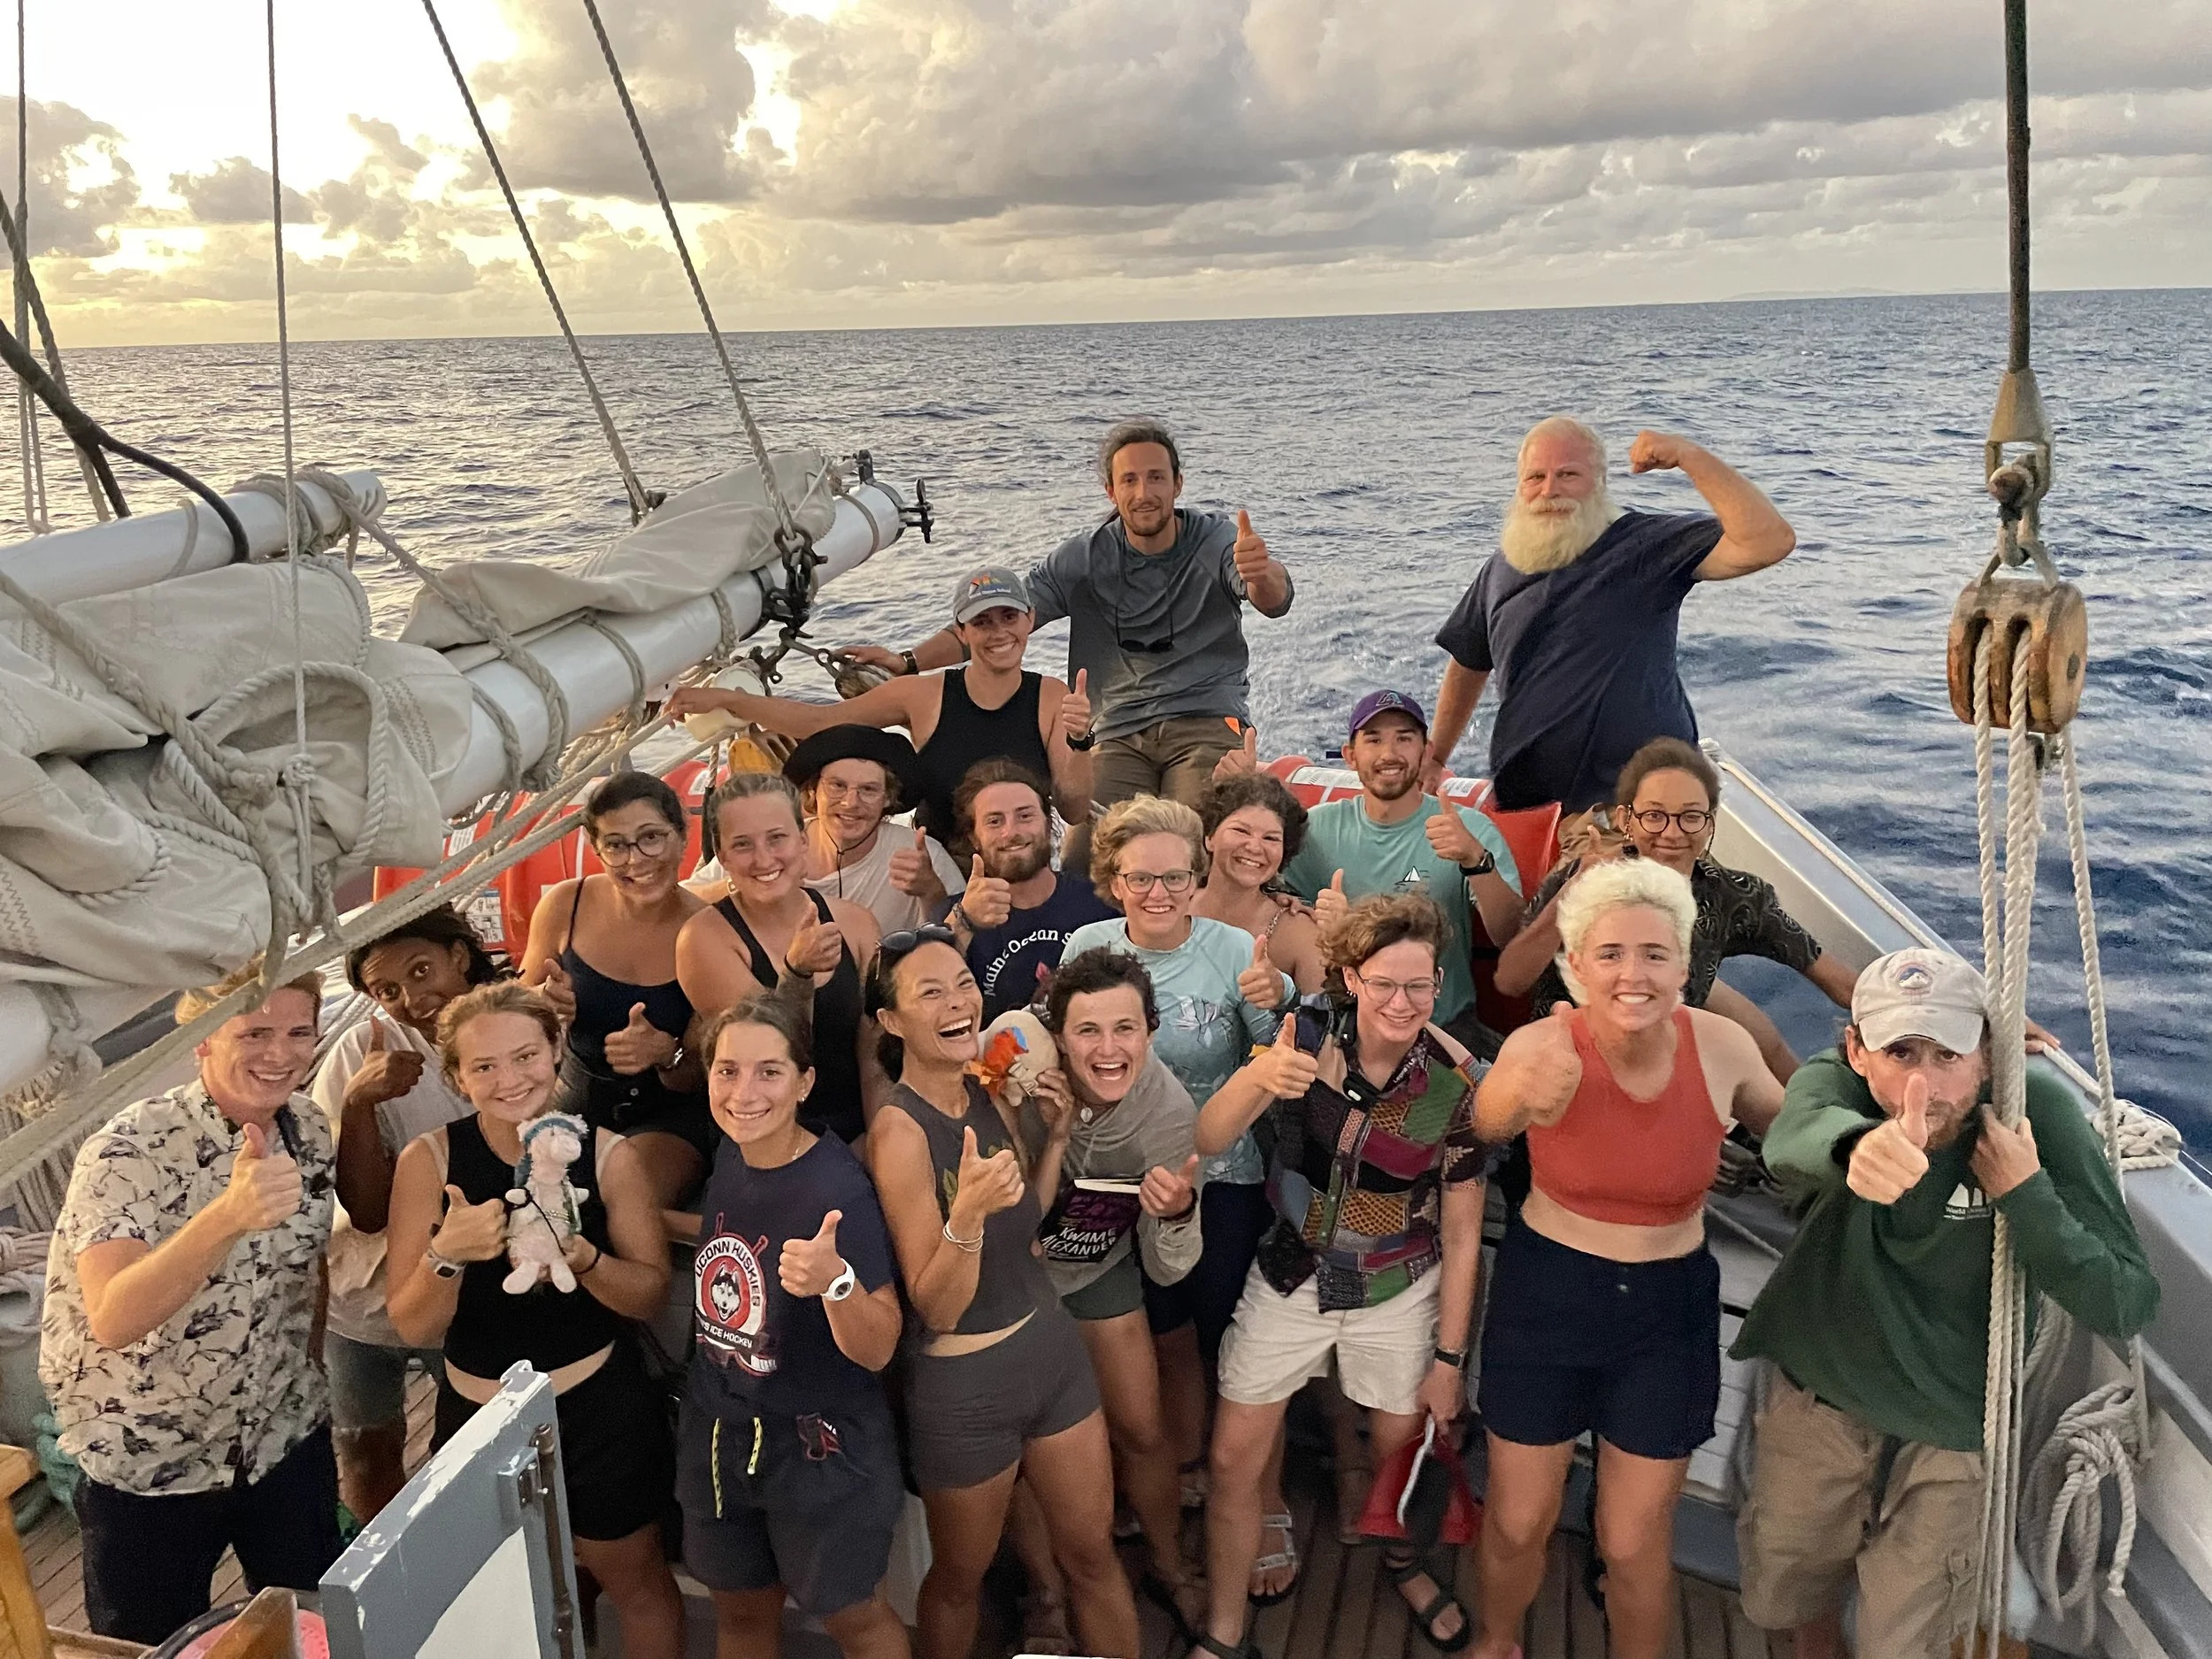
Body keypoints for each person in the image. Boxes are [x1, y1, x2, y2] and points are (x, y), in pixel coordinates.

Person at [1732, 949, 2159, 1659]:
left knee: (1899, 1640)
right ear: (1857, 1050)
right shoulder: (1836, 1086)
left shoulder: (2034, 1113)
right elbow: (1793, 1139)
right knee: (1787, 1592)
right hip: (1823, 1393)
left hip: (1955, 1422)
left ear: (1987, 1057)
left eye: (1948, 1054)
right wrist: (1859, 1151)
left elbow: (2127, 1301)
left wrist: (2027, 1195)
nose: (1922, 1084)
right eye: (1900, 1052)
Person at [1468, 859, 1782, 1659]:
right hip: (1546, 1297)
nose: (1632, 974)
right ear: (1576, 965)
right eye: (1609, 953)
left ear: (1684, 963)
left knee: (1634, 1543)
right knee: (1517, 1521)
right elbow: (1487, 1119)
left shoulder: (1723, 1046)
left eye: (1654, 953)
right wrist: (1524, 1095)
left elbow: (1797, 1131)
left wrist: (1905, 1093)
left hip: (1665, 1315)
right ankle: (1495, 1642)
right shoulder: (1542, 1044)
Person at [1194, 895, 1487, 1658]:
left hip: (1398, 1284)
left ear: (1437, 983)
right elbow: (1210, 1134)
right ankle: (1224, 1629)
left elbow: (1464, 1232)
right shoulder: (1303, 1033)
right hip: (1293, 1269)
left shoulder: (1457, 1083)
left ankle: (1405, 1563)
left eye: (1418, 985)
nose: (1402, 1001)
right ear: (1353, 977)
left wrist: (1450, 1360)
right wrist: (1262, 1076)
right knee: (1231, 1458)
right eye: (1384, 982)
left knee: (1400, 1450)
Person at [41, 961, 342, 1644]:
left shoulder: (310, 1128)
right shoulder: (127, 1151)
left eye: (299, 1032)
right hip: (149, 1465)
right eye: (255, 1032)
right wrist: (227, 1215)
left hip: (282, 1439)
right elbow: (113, 1315)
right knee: (154, 1645)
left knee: (316, 1630)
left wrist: (312, 1377)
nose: (281, 1053)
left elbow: (306, 1270)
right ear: (202, 1035)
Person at [864, 928, 1140, 1659]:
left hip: (1052, 1355)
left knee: (1093, 1557)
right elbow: (937, 1306)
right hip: (967, 1389)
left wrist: (1057, 1138)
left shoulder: (986, 1088)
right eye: (930, 992)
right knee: (960, 1579)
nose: (958, 1002)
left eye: (963, 983)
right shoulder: (898, 1131)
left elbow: (1026, 1224)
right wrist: (965, 1218)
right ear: (891, 1020)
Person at [387, 983, 683, 1659]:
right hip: (477, 1417)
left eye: (525, 1055)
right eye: (484, 1066)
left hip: (597, 1410)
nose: (510, 1079)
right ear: (456, 1077)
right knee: (498, 1597)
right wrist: (447, 1254)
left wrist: (583, 1257)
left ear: (556, 1050)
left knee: (635, 1582)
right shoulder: (429, 1161)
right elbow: (413, 1326)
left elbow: (647, 1294)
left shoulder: (609, 1155)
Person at [848, 421, 1294, 818]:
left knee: (1189, 837)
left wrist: (1261, 573)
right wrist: (908, 662)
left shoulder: (1216, 540)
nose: (1143, 493)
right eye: (1129, 480)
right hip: (1116, 731)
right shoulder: (1083, 558)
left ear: (1178, 483)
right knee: (1088, 856)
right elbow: (1001, 621)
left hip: (1205, 718)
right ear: (1111, 491)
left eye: (1156, 477)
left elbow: (1273, 601)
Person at [680, 994, 910, 1659]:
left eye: (769, 1072)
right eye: (727, 1071)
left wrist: (836, 1283)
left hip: (818, 1447)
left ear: (805, 1082)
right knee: (740, 1614)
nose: (743, 1093)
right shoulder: (732, 1154)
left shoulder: (837, 1191)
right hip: (718, 1432)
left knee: (855, 1619)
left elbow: (880, 1344)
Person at [1427, 418, 1796, 812]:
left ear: (1600, 481)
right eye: (1536, 477)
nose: (1549, 490)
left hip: (1640, 808)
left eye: (1568, 474)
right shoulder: (1501, 567)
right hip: (1531, 803)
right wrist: (1435, 758)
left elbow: (1769, 541)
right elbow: (1467, 662)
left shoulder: (1645, 546)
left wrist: (1687, 455)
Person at [1023, 949, 1206, 1624]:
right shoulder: (1019, 1069)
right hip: (1010, 1279)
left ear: (1151, 1031)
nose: (1107, 1049)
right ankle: (1047, 1594)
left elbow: (1168, 1268)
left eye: (1125, 1028)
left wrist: (1177, 1213)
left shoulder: (1168, 1111)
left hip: (1097, 1268)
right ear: (1058, 1034)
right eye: (1088, 1030)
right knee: (1023, 1444)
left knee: (1141, 1425)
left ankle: (1168, 1563)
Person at [1496, 736, 1855, 1079]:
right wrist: (1574, 892)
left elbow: (1838, 981)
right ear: (1625, 820)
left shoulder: (1733, 896)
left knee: (1758, 1037)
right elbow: (1511, 981)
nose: (1671, 833)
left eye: (1690, 817)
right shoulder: (1585, 879)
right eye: (1654, 815)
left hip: (1664, 1067)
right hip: (1565, 1068)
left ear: (1710, 823)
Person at [311, 906, 510, 1523]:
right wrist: (360, 1106)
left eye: (422, 971)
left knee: (478, 1449)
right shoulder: (361, 1051)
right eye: (387, 990)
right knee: (366, 1453)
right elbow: (368, 1212)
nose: (412, 999)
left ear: (460, 955)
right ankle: (384, 1570)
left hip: (463, 1296)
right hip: (362, 1299)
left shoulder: (511, 1033)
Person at [669, 564, 1094, 844]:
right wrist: (730, 699)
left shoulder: (1053, 697)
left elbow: (1074, 811)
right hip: (938, 867)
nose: (998, 632)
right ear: (961, 632)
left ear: (1030, 619)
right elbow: (821, 723)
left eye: (1009, 617)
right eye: (982, 622)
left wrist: (1079, 741)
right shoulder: (922, 695)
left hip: (1021, 861)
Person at [1280, 690, 1522, 1047]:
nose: (1389, 754)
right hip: (1347, 1024)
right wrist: (1319, 923)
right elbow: (1259, 896)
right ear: (1350, 756)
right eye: (1374, 739)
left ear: (1426, 752)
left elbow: (1511, 934)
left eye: (1404, 739)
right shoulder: (1314, 832)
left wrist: (1475, 860)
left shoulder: (1470, 829)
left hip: (1444, 1028)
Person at [519, 770, 710, 1210]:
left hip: (670, 1117)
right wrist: (540, 1007)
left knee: (621, 1203)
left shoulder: (708, 932)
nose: (635, 859)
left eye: (651, 838)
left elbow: (708, 1075)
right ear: (596, 848)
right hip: (573, 1101)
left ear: (682, 837)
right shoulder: (564, 906)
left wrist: (667, 1053)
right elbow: (514, 1010)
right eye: (616, 845)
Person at [679, 772, 885, 1147]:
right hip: (761, 1134)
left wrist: (881, 1141)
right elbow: (768, 1052)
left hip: (855, 1126)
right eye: (742, 845)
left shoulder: (856, 923)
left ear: (802, 840)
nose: (763, 859)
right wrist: (796, 973)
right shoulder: (703, 939)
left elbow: (873, 1059)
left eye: (777, 838)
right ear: (722, 856)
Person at [948, 758, 1115, 1020]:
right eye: (994, 821)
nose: (1011, 832)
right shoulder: (955, 916)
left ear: (1048, 824)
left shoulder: (1102, 901)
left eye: (1025, 816)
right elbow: (927, 993)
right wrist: (964, 921)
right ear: (973, 838)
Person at [782, 724, 968, 936]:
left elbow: (961, 941)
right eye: (837, 786)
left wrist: (931, 890)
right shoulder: (777, 850)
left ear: (888, 798)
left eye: (868, 789)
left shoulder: (923, 856)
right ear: (813, 791)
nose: (850, 803)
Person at [1193, 772, 1325, 996]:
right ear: (1209, 837)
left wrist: (1284, 995)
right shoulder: (1171, 905)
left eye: (1271, 838)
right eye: (1241, 831)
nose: (1255, 847)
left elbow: (1324, 1013)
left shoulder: (1301, 934)